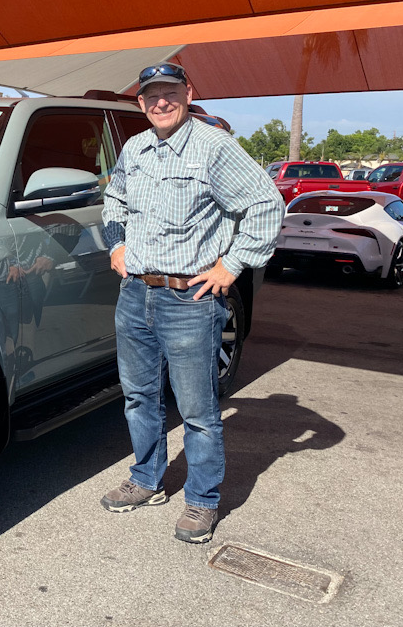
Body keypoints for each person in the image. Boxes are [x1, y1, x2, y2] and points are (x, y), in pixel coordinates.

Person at [99, 63, 284, 543]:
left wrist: (233, 265)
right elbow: (115, 199)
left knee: (197, 411)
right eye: (152, 95)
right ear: (140, 102)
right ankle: (146, 480)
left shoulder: (213, 147)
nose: (161, 102)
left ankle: (202, 500)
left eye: (170, 92)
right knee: (139, 397)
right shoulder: (135, 148)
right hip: (135, 292)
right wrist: (117, 245)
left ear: (188, 93)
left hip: (189, 299)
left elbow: (266, 204)